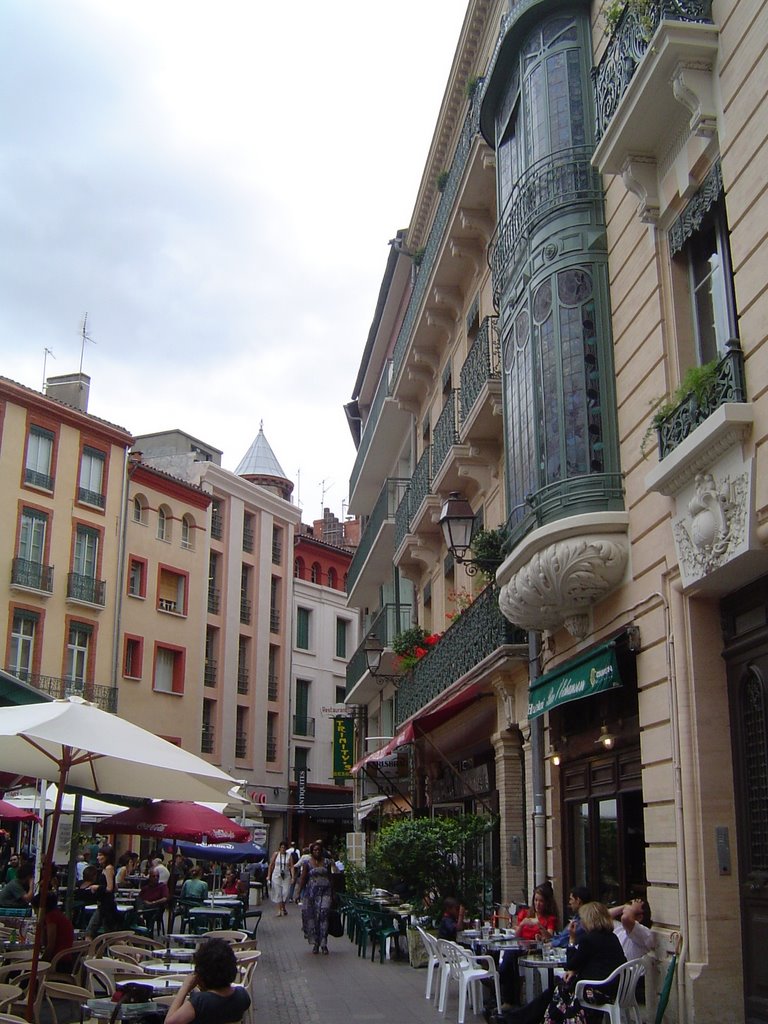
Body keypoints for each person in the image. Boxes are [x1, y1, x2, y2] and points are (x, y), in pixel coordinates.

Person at [491, 902, 626, 1024]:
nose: (581, 923)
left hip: (595, 991)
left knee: (555, 991)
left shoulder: (588, 940)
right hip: (614, 989)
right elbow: (595, 962)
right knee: (555, 990)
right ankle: (516, 1019)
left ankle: (516, 1020)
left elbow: (571, 964)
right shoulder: (612, 937)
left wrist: (572, 940)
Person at [165, 936, 251, 1024]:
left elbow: (169, 1022)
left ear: (202, 973)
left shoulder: (201, 1002)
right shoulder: (242, 996)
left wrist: (185, 987)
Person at [295, 840, 334, 954]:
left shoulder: (327, 862)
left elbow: (331, 877)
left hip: (325, 892)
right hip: (312, 894)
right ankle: (316, 943)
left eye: (319, 850)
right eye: (315, 850)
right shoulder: (307, 863)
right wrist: (298, 893)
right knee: (314, 918)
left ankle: (324, 943)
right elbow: (303, 878)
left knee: (324, 916)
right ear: (311, 852)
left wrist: (333, 893)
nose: (317, 852)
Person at [32, 890, 75, 964]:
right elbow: (43, 942)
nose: (35, 913)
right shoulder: (57, 915)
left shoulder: (52, 917)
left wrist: (41, 963)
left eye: (35, 909)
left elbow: (50, 946)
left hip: (59, 961)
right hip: (62, 958)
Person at [85, 844, 117, 937]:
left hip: (106, 906)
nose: (98, 857)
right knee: (108, 934)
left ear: (107, 857)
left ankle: (126, 950)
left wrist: (96, 887)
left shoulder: (108, 868)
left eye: (100, 855)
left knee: (91, 932)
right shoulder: (106, 869)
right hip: (104, 905)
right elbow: (115, 887)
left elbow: (110, 888)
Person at [268, 840, 293, 917]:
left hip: (286, 876)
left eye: (284, 847)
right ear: (279, 848)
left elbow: (292, 866)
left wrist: (293, 877)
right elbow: (271, 865)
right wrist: (269, 875)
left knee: (285, 893)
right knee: (278, 893)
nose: (283, 849)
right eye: (282, 847)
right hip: (276, 875)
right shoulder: (276, 854)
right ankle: (279, 909)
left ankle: (283, 907)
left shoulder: (289, 855)